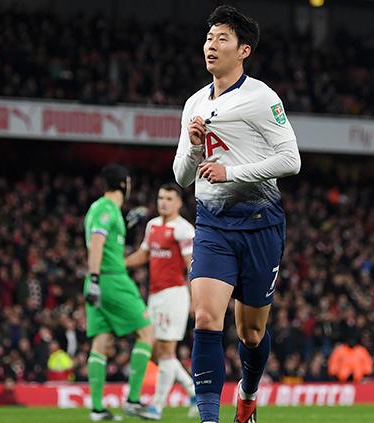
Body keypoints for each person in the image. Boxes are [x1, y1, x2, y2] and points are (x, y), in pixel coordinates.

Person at [172, 5, 301, 423]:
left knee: (251, 332)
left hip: (260, 225)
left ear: (243, 50)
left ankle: (247, 393)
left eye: (222, 38)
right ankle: (210, 418)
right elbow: (181, 176)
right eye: (209, 37)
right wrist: (192, 145)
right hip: (211, 225)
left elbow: (291, 159)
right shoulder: (194, 102)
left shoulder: (262, 98)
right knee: (206, 317)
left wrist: (232, 173)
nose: (211, 45)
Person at [84, 164, 156, 421]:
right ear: (124, 183)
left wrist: (125, 223)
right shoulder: (106, 209)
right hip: (111, 279)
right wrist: (95, 279)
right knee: (147, 332)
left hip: (99, 280)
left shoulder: (100, 209)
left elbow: (107, 238)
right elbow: (97, 243)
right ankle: (134, 400)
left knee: (101, 341)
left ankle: (97, 409)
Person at [125, 184, 198, 419]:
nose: (163, 202)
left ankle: (157, 406)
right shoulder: (152, 225)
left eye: (168, 198)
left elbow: (191, 265)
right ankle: (193, 391)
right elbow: (144, 254)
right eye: (160, 197)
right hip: (154, 295)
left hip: (174, 295)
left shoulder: (184, 230)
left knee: (166, 350)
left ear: (178, 203)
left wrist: (196, 298)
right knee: (156, 352)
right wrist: (119, 264)